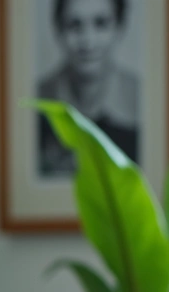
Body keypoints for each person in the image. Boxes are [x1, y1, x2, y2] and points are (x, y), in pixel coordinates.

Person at [37, 0, 139, 176]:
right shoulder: (38, 101)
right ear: (58, 30)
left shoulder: (140, 100)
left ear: (120, 28)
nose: (88, 41)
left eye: (101, 24)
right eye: (74, 25)